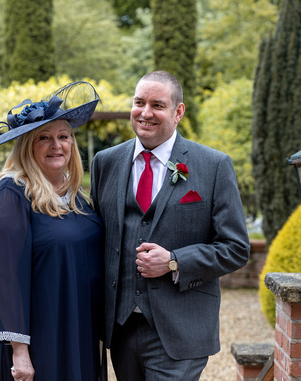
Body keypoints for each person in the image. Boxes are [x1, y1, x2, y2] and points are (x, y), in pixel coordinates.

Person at [90, 71, 250, 380]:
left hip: (181, 329)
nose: (145, 113)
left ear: (178, 112)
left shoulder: (213, 166)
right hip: (120, 329)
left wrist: (175, 261)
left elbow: (236, 248)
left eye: (157, 105)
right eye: (139, 103)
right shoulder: (105, 162)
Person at [0, 81, 104, 381]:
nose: (56, 145)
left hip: (76, 329)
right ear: (26, 146)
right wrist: (20, 351)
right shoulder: (12, 195)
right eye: (43, 138)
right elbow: (5, 277)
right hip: (37, 339)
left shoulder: (77, 197)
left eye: (63, 136)